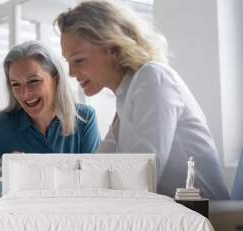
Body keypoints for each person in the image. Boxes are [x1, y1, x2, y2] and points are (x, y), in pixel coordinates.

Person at [56, 0, 229, 199]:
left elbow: (141, 179)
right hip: (172, 217)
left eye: (78, 60)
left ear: (112, 47)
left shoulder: (153, 78)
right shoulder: (125, 98)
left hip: (205, 221)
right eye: (68, 61)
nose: (71, 72)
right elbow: (96, 169)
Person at [0, 40, 101, 196]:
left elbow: (94, 184)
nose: (25, 94)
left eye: (34, 81)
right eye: (16, 84)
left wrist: (21, 173)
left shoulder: (84, 120)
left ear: (55, 80)